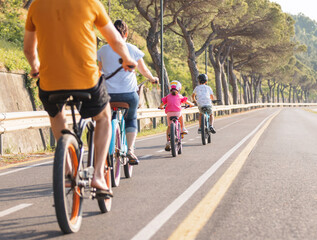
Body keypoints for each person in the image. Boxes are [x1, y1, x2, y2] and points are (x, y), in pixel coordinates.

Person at [23, 0, 137, 196]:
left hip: (51, 81)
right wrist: (127, 59)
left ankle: (67, 169)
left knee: (57, 113)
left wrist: (35, 67)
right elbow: (115, 41)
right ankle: (99, 175)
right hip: (86, 81)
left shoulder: (36, 5)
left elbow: (28, 49)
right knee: (103, 118)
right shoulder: (91, 3)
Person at [97, 19, 159, 164]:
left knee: (104, 119)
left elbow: (100, 71)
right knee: (131, 118)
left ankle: (105, 146)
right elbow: (143, 69)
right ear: (126, 33)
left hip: (107, 95)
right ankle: (130, 150)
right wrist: (152, 78)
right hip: (128, 95)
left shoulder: (102, 50)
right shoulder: (132, 48)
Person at [158, 80, 194, 151]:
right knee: (181, 116)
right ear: (179, 88)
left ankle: (168, 142)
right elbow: (187, 102)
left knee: (169, 127)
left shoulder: (167, 97)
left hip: (169, 113)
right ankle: (183, 128)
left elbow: (162, 104)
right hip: (177, 113)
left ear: (170, 88)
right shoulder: (180, 96)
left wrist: (160, 107)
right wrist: (191, 104)